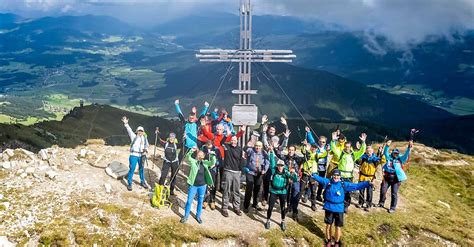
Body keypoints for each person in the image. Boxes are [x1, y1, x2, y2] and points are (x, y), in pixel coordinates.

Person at [312, 169, 372, 247]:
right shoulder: (328, 182)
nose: (336, 177)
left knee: (338, 227)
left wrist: (367, 183)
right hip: (329, 207)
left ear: (340, 176)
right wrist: (313, 175)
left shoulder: (344, 184)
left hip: (339, 208)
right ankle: (329, 241)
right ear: (332, 176)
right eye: (334, 175)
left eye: (338, 175)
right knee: (328, 226)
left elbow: (356, 186)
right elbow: (320, 179)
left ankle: (337, 242)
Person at [330, 132, 367, 213]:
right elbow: (333, 148)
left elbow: (362, 151)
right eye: (346, 147)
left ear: (351, 147)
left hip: (349, 177)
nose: (347, 148)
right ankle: (337, 204)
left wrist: (363, 142)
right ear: (344, 146)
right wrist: (333, 140)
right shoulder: (340, 154)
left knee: (348, 192)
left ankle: (346, 206)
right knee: (338, 190)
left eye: (348, 147)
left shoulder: (354, 155)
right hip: (340, 176)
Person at [180, 147, 216, 224]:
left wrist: (213, 155)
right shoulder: (193, 161)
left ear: (203, 156)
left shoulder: (205, 163)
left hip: (202, 186)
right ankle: (185, 216)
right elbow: (187, 157)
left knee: (200, 202)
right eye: (198, 155)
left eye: (201, 155)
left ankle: (198, 216)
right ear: (197, 155)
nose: (199, 156)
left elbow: (212, 163)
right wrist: (191, 151)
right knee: (189, 201)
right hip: (193, 186)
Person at [377, 140, 412, 213]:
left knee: (394, 193)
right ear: (392, 153)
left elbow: (406, 154)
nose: (396, 154)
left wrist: (409, 147)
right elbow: (385, 152)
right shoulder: (388, 157)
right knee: (383, 191)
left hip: (396, 179)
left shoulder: (400, 159)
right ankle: (381, 202)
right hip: (386, 177)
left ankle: (392, 207)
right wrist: (387, 145)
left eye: (397, 153)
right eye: (394, 153)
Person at [264, 159, 298, 231]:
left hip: (283, 191)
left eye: (281, 166)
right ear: (277, 166)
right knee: (270, 207)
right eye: (279, 165)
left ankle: (283, 221)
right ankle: (268, 220)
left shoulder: (286, 173)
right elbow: (272, 160)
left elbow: (295, 179)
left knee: (282, 208)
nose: (280, 167)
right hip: (274, 191)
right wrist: (271, 151)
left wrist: (294, 173)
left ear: (283, 166)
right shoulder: (274, 171)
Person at [122, 116, 149, 191]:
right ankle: (129, 183)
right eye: (139, 131)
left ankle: (142, 182)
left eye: (141, 131)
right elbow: (129, 130)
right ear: (137, 131)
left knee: (141, 169)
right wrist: (126, 123)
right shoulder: (133, 136)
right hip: (134, 155)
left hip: (142, 155)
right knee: (132, 169)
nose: (140, 132)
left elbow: (147, 145)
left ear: (143, 132)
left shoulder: (144, 138)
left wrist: (146, 149)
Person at [221, 136, 246, 217]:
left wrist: (241, 170)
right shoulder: (227, 147)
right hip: (228, 171)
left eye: (234, 140)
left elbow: (242, 160)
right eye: (232, 140)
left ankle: (236, 207)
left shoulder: (240, 149)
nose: (233, 142)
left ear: (237, 141)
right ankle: (224, 208)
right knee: (227, 190)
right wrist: (227, 136)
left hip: (237, 172)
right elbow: (221, 142)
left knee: (236, 191)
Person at [243, 141, 269, 213]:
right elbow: (244, 149)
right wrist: (247, 145)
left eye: (259, 146)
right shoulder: (251, 150)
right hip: (250, 172)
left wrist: (265, 170)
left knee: (257, 189)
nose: (257, 147)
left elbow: (267, 162)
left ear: (261, 147)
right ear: (254, 146)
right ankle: (246, 205)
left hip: (259, 173)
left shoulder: (264, 153)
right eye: (256, 146)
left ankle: (255, 204)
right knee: (249, 188)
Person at [305, 127, 330, 202]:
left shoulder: (327, 148)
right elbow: (311, 140)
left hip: (323, 168)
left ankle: (318, 195)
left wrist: (336, 137)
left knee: (321, 182)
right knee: (312, 180)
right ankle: (307, 194)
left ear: (325, 142)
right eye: (320, 141)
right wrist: (309, 132)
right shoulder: (315, 146)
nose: (321, 143)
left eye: (323, 142)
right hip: (315, 167)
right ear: (318, 141)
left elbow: (334, 145)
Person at [357, 146, 385, 210]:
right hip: (362, 177)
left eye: (370, 151)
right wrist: (359, 150)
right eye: (367, 151)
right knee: (361, 191)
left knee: (369, 192)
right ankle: (361, 203)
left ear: (372, 151)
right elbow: (358, 161)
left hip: (370, 178)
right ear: (366, 151)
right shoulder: (363, 157)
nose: (368, 152)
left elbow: (383, 161)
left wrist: (381, 153)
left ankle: (368, 205)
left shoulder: (375, 159)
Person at [156, 131, 182, 196]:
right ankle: (160, 188)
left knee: (173, 176)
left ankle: (171, 190)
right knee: (163, 176)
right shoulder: (166, 144)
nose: (171, 139)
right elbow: (159, 140)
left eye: (173, 138)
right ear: (169, 138)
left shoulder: (176, 145)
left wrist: (185, 138)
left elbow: (183, 143)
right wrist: (157, 133)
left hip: (174, 162)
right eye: (170, 137)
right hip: (166, 161)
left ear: (174, 139)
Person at [281, 145, 303, 220]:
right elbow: (277, 153)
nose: (291, 151)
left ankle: (295, 211)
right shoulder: (285, 158)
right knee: (286, 193)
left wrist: (305, 147)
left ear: (295, 150)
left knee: (295, 194)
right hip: (287, 178)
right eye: (289, 150)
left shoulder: (297, 158)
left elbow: (308, 157)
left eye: (292, 150)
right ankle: (288, 206)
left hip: (295, 179)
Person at [201, 140, 220, 210]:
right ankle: (205, 200)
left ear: (212, 145)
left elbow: (219, 160)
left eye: (209, 146)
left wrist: (215, 164)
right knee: (205, 184)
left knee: (212, 185)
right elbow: (201, 157)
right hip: (206, 168)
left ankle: (212, 201)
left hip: (213, 169)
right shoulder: (203, 148)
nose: (208, 147)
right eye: (207, 146)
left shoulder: (216, 149)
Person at [300, 141, 318, 211]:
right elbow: (302, 150)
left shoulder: (317, 155)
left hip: (313, 174)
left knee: (313, 191)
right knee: (301, 189)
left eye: (315, 147)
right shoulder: (307, 152)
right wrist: (304, 145)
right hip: (305, 173)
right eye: (312, 147)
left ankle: (313, 205)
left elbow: (324, 154)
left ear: (316, 148)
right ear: (310, 147)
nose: (313, 148)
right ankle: (295, 204)